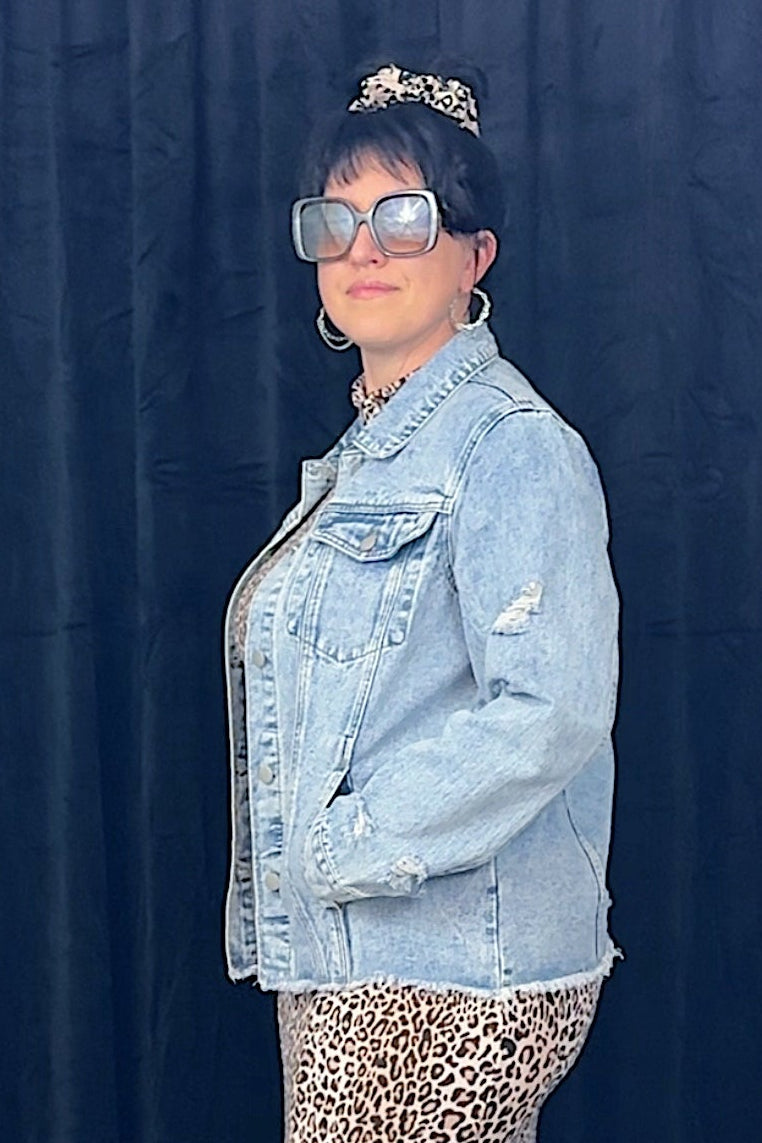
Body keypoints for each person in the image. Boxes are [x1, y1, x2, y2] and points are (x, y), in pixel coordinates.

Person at [223, 61, 621, 1143]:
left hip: (440, 978)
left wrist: (342, 846)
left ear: (473, 255)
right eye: (335, 219)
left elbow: (554, 708)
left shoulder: (509, 447)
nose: (362, 248)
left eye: (404, 217)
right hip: (367, 957)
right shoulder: (378, 452)